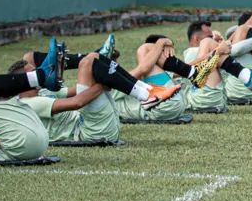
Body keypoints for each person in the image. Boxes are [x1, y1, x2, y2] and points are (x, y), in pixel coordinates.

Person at [10, 50, 179, 143]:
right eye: (34, 73)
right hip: (90, 132)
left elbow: (75, 92)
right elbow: (78, 101)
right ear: (24, 82)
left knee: (95, 57)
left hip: (97, 124)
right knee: (87, 63)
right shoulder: (29, 103)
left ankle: (146, 90)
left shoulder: (43, 91)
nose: (40, 74)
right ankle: (145, 94)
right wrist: (103, 83)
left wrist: (105, 78)